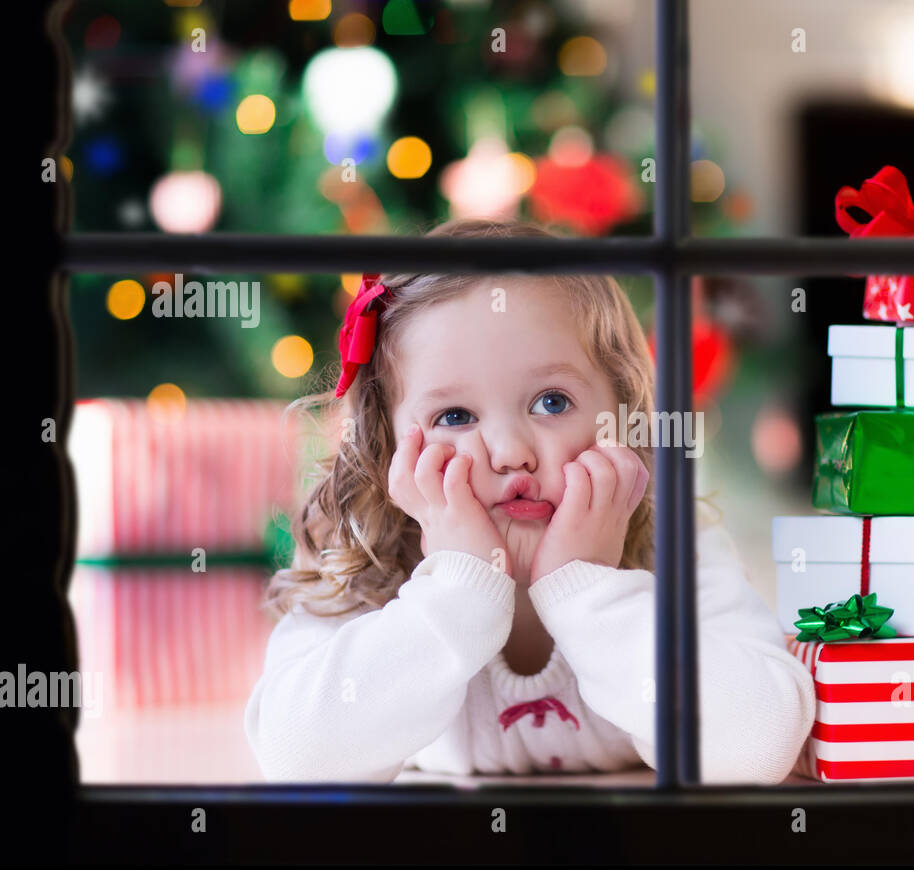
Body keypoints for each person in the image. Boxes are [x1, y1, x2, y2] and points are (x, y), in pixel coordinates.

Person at [245, 218, 814, 784]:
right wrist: (458, 590)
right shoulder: (361, 557)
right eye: (455, 417)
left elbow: (758, 745)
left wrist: (587, 588)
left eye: (550, 402)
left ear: (622, 414)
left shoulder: (676, 543)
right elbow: (296, 759)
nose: (511, 453)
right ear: (387, 448)